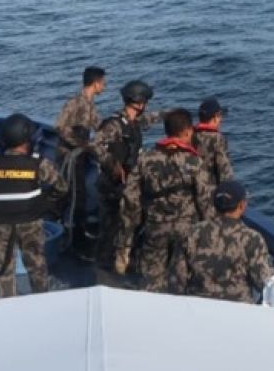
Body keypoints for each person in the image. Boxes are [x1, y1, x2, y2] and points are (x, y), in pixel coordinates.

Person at [115, 108, 214, 292]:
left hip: (155, 227)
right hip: (187, 230)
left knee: (151, 279)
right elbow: (205, 202)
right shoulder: (195, 162)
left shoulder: (145, 159)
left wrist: (128, 235)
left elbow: (130, 198)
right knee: (185, 279)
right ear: (187, 131)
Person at [0, 114, 66, 297]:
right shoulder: (37, 163)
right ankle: (42, 300)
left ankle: (8, 305)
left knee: (3, 268)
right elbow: (61, 187)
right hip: (30, 221)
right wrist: (46, 201)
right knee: (36, 265)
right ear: (25, 141)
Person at [93, 80, 162, 269]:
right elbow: (96, 146)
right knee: (110, 225)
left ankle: (121, 260)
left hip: (129, 182)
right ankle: (103, 264)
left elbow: (151, 118)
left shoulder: (134, 122)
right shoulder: (114, 125)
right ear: (138, 102)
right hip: (112, 183)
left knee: (129, 222)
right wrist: (112, 164)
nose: (146, 106)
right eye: (145, 101)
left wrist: (172, 115)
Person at [172, 179, 273, 303]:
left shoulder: (190, 233)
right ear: (242, 205)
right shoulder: (252, 238)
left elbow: (177, 279)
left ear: (215, 204)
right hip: (239, 310)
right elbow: (263, 282)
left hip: (197, 307)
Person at [54, 65, 106, 253]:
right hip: (69, 156)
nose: (105, 87)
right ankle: (73, 234)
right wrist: (78, 143)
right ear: (96, 83)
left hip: (81, 156)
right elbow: (60, 126)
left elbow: (99, 125)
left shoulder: (91, 105)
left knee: (80, 193)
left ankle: (77, 227)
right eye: (103, 83)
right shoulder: (74, 103)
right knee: (75, 194)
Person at [192, 97, 234, 187]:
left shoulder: (190, 135)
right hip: (210, 191)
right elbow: (224, 172)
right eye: (220, 116)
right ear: (215, 117)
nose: (221, 119)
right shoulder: (217, 139)